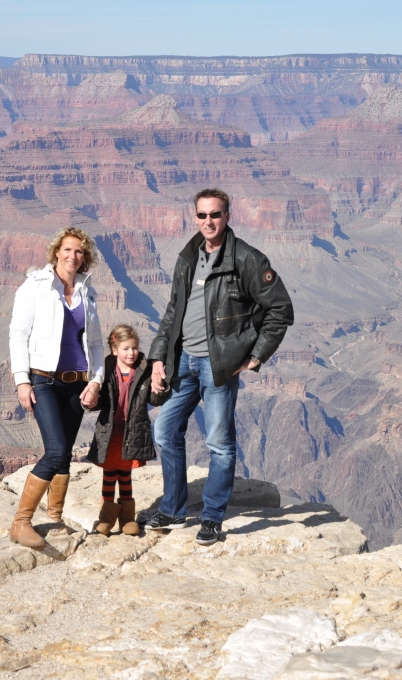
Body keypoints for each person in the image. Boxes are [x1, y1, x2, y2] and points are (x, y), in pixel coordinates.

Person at [146, 188, 294, 545]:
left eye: (215, 214)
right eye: (202, 215)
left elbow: (280, 310)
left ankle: (212, 517)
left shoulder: (247, 259)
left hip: (218, 367)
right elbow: (172, 313)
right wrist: (157, 358)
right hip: (182, 362)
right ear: (194, 217)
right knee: (165, 432)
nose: (208, 221)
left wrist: (256, 356)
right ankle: (174, 509)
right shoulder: (186, 256)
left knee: (220, 445)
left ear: (228, 216)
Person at [8, 227, 104, 548]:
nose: (73, 256)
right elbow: (18, 334)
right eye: (67, 249)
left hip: (77, 384)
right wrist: (23, 381)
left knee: (65, 457)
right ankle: (21, 522)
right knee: (56, 451)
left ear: (84, 256)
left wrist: (96, 381)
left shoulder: (86, 292)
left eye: (79, 251)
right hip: (44, 380)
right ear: (56, 252)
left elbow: (95, 343)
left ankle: (55, 518)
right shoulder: (35, 286)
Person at [86, 324, 170, 536]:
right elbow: (100, 400)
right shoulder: (105, 370)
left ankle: (127, 518)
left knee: (124, 474)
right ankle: (105, 518)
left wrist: (160, 386)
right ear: (114, 350)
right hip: (110, 431)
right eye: (125, 349)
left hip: (133, 432)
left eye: (134, 348)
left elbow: (154, 399)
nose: (131, 353)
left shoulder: (144, 370)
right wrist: (90, 401)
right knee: (109, 474)